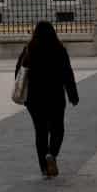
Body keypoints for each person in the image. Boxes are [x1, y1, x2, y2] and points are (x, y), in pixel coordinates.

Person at [15, 19, 78, 177]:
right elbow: (67, 74)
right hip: (55, 96)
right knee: (58, 128)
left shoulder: (29, 49)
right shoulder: (59, 49)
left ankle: (44, 168)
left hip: (34, 99)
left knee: (40, 131)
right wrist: (73, 95)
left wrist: (24, 95)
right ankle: (52, 154)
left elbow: (18, 73)